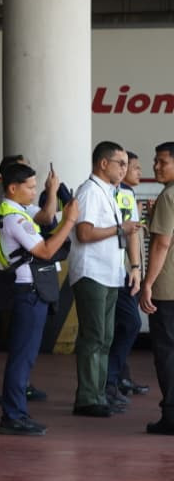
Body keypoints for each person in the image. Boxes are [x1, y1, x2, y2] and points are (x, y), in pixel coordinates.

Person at [0, 163, 79, 435]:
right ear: (13, 188)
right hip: (27, 292)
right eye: (30, 187)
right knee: (22, 356)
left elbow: (45, 216)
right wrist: (70, 221)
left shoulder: (18, 211)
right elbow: (45, 250)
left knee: (25, 355)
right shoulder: (12, 218)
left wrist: (52, 191)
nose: (33, 191)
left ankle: (17, 412)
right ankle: (13, 415)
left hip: (31, 291)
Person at [69, 142, 143, 418]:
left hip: (110, 273)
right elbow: (84, 234)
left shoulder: (112, 193)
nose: (125, 169)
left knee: (106, 336)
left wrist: (133, 265)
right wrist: (118, 229)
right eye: (120, 163)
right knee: (94, 335)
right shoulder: (90, 192)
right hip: (92, 272)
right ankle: (88, 397)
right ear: (103, 164)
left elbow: (130, 232)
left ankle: (99, 393)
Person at [139, 142, 174, 435]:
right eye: (155, 161)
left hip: (167, 289)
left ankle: (171, 416)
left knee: (167, 352)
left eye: (162, 162)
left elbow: (162, 243)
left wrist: (147, 284)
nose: (156, 167)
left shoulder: (169, 197)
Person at [108, 151, 148, 401]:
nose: (134, 172)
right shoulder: (115, 193)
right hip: (118, 270)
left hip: (129, 270)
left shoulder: (128, 195)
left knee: (124, 324)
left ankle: (119, 376)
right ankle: (111, 379)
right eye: (129, 166)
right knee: (129, 323)